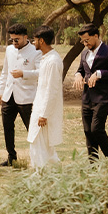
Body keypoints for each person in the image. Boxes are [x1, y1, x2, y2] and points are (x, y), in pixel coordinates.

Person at [0, 23, 41, 167]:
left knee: (32, 130)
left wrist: (24, 74)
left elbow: (41, 73)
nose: (14, 43)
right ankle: (11, 157)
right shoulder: (9, 50)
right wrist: (0, 92)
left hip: (27, 97)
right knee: (7, 127)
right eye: (12, 40)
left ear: (25, 37)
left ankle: (38, 159)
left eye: (17, 40)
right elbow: (5, 71)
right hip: (9, 95)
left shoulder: (36, 51)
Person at [75, 23, 108, 160]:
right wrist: (77, 75)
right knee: (87, 131)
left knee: (96, 129)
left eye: (87, 40)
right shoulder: (84, 53)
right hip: (87, 97)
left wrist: (100, 73)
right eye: (82, 41)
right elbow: (81, 70)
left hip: (103, 97)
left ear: (96, 36)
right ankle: (93, 164)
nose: (85, 44)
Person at [28, 26, 64, 169]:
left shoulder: (53, 61)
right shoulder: (46, 59)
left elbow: (52, 90)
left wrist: (44, 114)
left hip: (44, 112)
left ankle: (41, 176)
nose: (33, 43)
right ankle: (52, 176)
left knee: (38, 145)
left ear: (41, 41)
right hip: (40, 107)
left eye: (35, 40)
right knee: (43, 146)